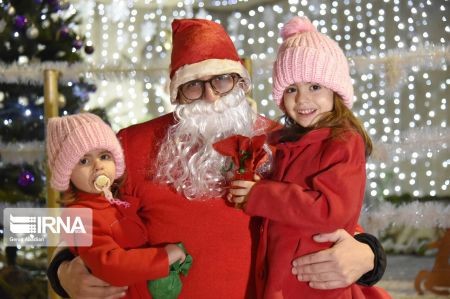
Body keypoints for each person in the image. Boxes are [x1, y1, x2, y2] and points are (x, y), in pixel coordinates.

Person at [47, 19, 386, 299]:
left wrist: (368, 254)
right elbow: (76, 212)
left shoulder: (280, 141)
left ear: (241, 84)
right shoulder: (130, 144)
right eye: (193, 85)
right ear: (177, 94)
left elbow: (327, 210)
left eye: (222, 80)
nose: (209, 96)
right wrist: (61, 270)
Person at [227, 17, 391, 299]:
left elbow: (332, 210)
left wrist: (261, 195)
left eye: (314, 87)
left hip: (312, 282)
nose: (302, 99)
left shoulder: (343, 142)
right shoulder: (287, 142)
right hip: (281, 276)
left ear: (335, 91)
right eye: (291, 89)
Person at [46, 113, 189, 299]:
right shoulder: (79, 215)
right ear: (67, 173)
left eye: (104, 156)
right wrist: (162, 258)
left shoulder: (118, 202)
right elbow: (108, 263)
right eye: (84, 161)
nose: (98, 166)